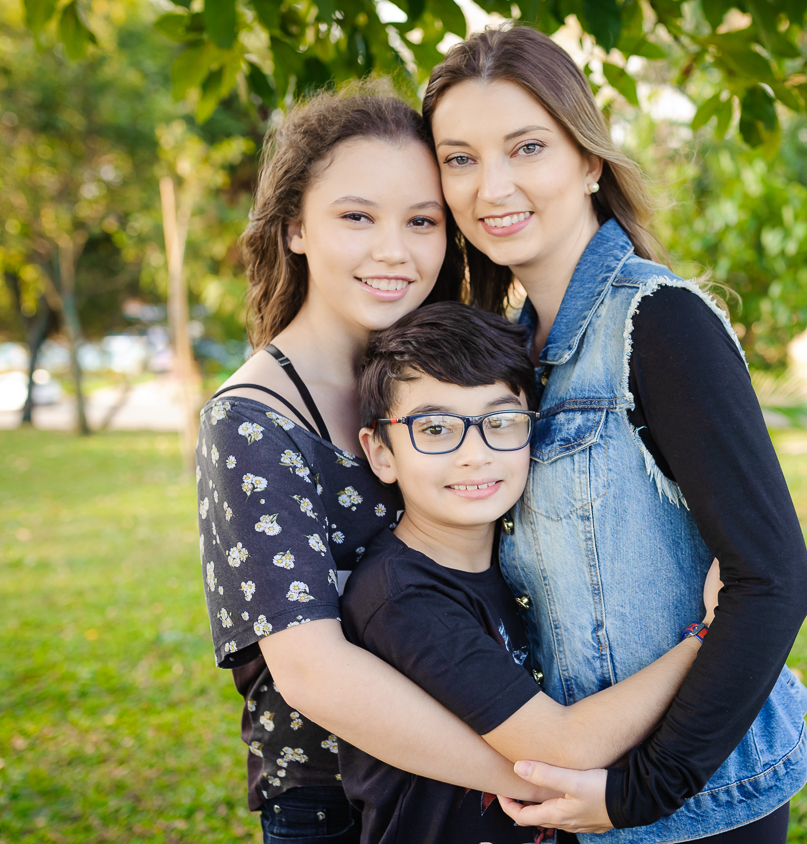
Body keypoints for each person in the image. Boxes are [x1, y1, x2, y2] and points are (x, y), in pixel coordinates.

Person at [424, 26, 807, 843]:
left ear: (589, 160)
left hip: (693, 812)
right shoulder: (508, 353)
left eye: (526, 147)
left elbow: (774, 584)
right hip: (579, 804)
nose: (491, 186)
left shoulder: (658, 322)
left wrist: (640, 790)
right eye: (459, 158)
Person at [196, 83, 560, 844]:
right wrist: (536, 779)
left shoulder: (450, 379)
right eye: (356, 216)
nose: (393, 250)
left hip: (484, 776)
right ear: (295, 226)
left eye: (422, 221)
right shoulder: (254, 420)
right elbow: (313, 672)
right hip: (340, 807)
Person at [341, 302, 720, 843]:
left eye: (500, 422)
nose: (475, 454)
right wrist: (707, 637)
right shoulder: (401, 599)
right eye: (436, 428)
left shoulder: (523, 564)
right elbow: (562, 747)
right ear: (380, 451)